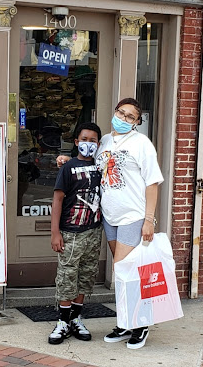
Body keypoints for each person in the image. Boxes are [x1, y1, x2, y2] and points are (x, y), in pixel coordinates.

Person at [57, 98, 163, 350]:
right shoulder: (104, 141)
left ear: (137, 122)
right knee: (122, 272)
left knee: (127, 271)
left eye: (130, 116)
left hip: (132, 215)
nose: (123, 119)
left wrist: (149, 219)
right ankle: (126, 322)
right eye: (121, 113)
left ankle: (140, 324)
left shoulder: (142, 144)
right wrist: (66, 160)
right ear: (114, 112)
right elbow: (89, 162)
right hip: (109, 216)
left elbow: (152, 183)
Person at [48, 122, 103, 345]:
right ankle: (62, 321)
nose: (88, 144)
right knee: (67, 275)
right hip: (70, 232)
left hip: (93, 231)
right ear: (76, 142)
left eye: (93, 141)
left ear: (99, 144)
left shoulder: (101, 167)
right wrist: (55, 232)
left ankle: (76, 318)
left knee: (86, 275)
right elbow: (58, 199)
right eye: (84, 140)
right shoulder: (68, 167)